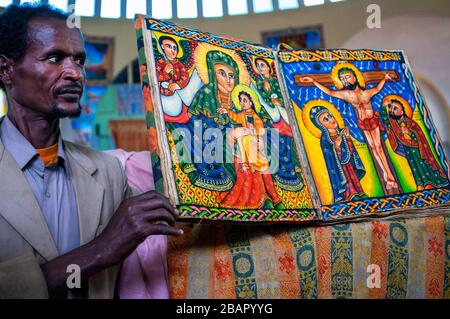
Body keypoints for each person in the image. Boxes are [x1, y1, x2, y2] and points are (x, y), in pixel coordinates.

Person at [0, 4, 182, 299]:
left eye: (80, 61)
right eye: (55, 58)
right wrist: (104, 248)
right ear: (6, 69)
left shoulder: (108, 172)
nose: (74, 73)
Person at [301, 64, 400, 194]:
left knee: (379, 147)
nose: (345, 80)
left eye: (347, 77)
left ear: (355, 76)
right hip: (363, 123)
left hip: (372, 121)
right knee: (373, 148)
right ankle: (386, 176)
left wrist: (385, 79)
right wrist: (314, 81)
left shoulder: (366, 92)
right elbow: (330, 92)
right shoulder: (347, 94)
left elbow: (377, 88)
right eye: (342, 79)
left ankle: (390, 176)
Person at [217, 85, 282, 209]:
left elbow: (260, 131)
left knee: (246, 139)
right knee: (240, 136)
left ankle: (274, 199)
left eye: (244, 100)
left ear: (251, 102)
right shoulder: (242, 115)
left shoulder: (255, 117)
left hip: (255, 144)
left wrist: (251, 131)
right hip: (246, 146)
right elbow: (235, 117)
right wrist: (227, 112)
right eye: (240, 100)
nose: (242, 103)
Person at [254, 57, 304, 192]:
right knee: (274, 143)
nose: (260, 68)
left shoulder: (277, 82)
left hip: (282, 116)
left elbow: (285, 98)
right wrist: (270, 104)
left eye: (263, 65)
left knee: (286, 142)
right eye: (258, 66)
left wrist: (279, 103)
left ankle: (291, 174)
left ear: (269, 68)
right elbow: (261, 99)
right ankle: (278, 174)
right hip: (270, 117)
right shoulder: (259, 83)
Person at [381, 96, 448, 190]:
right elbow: (384, 117)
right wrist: (384, 107)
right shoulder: (393, 123)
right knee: (414, 167)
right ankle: (420, 184)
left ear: (402, 112)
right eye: (391, 108)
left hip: (417, 148)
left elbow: (420, 136)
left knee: (422, 165)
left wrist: (409, 132)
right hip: (407, 149)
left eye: (395, 108)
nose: (392, 110)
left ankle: (429, 182)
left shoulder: (411, 123)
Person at [310, 105, 366, 203]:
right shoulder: (325, 140)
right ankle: (349, 194)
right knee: (347, 181)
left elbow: (351, 152)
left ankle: (359, 192)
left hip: (349, 165)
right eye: (326, 119)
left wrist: (348, 138)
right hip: (339, 170)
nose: (331, 119)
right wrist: (336, 147)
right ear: (321, 126)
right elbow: (330, 159)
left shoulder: (341, 132)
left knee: (353, 178)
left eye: (330, 116)